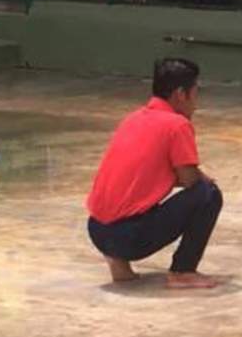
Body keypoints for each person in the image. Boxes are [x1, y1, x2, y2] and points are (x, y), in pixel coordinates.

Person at [85, 58, 222, 289]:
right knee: (208, 194)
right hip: (128, 238)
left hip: (96, 230)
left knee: (132, 200)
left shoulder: (133, 118)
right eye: (195, 94)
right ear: (181, 94)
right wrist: (202, 178)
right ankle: (183, 271)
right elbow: (190, 181)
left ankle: (120, 266)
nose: (196, 104)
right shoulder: (177, 125)